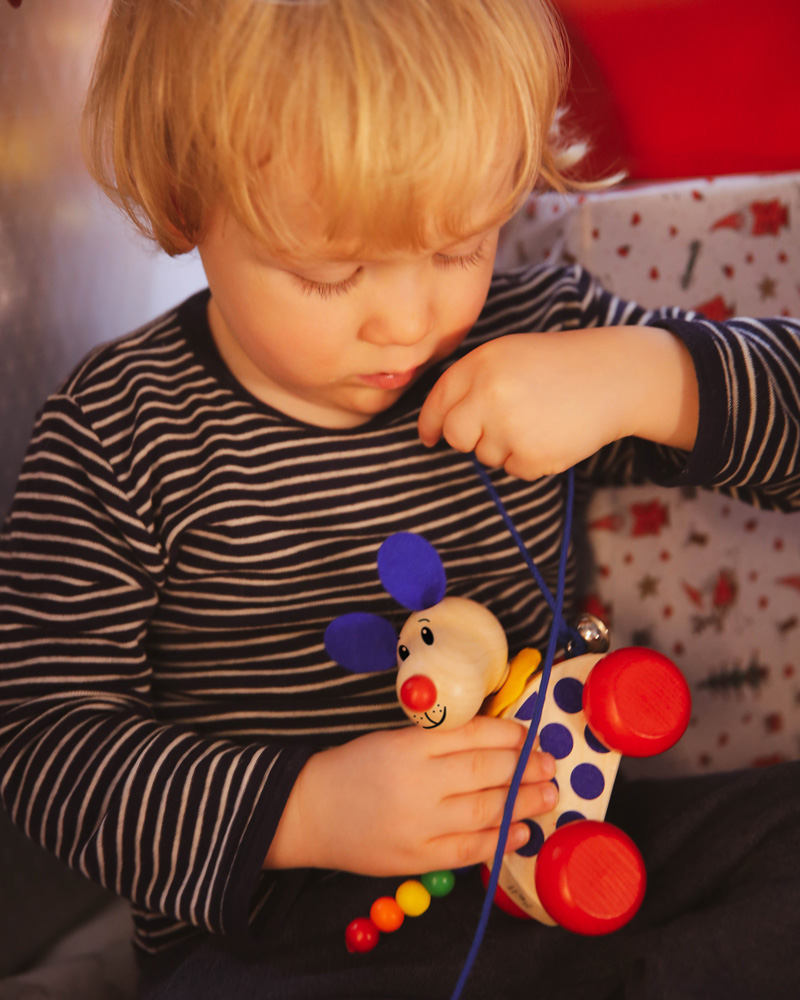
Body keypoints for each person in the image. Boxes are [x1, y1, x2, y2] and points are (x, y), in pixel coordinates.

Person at [1, 1, 799, 997]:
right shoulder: (117, 427)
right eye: (332, 273)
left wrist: (648, 381)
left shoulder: (535, 331)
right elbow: (44, 742)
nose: (411, 320)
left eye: (459, 245)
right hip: (295, 936)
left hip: (574, 858)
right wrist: (306, 810)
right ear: (183, 203)